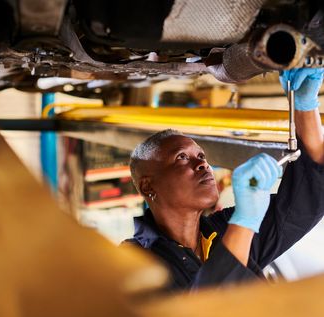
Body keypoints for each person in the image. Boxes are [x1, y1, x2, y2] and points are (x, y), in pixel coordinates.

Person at [123, 68, 324, 291]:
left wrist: (304, 105)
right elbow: (199, 316)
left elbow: (304, 206)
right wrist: (244, 222)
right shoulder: (130, 262)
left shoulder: (223, 228)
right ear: (148, 185)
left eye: (201, 156)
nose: (202, 164)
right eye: (181, 157)